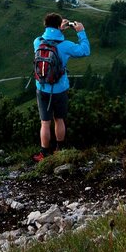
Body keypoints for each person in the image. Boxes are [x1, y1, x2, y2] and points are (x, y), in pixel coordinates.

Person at [33, 12, 90, 161]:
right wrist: (81, 32)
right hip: (59, 88)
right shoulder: (65, 46)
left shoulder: (37, 42)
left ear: (45, 26)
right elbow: (85, 51)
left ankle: (44, 153)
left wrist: (57, 30)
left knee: (45, 123)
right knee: (59, 120)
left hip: (42, 87)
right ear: (59, 26)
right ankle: (60, 150)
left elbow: (47, 38)